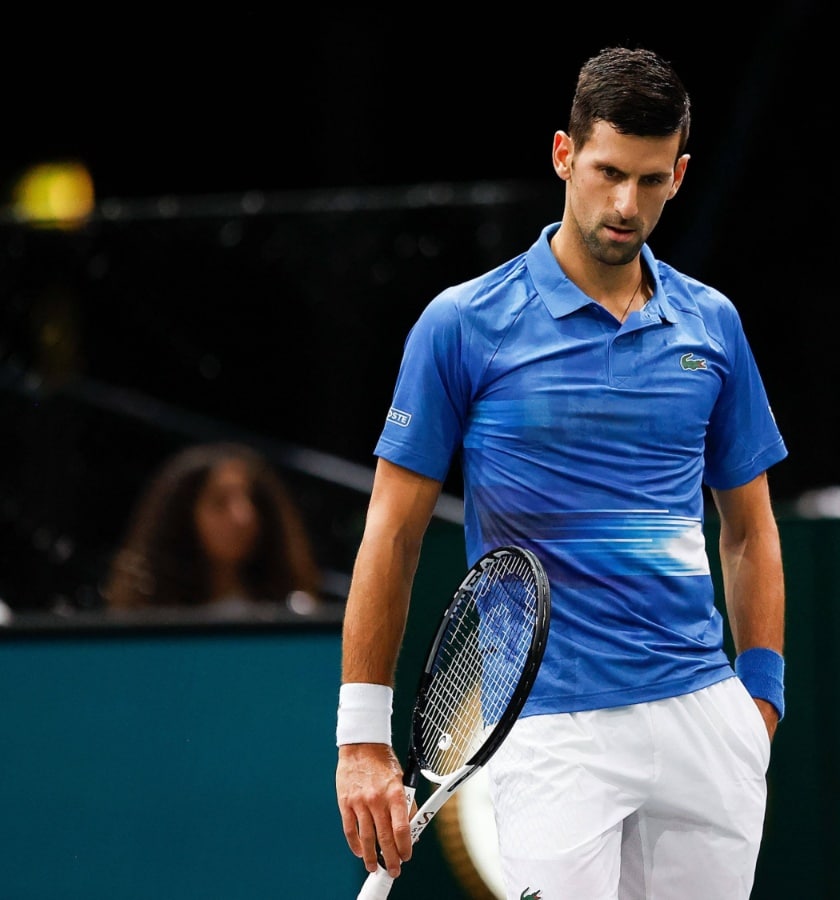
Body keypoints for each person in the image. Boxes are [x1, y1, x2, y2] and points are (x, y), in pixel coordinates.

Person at [335, 46, 788, 900]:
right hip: (551, 730)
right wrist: (361, 738)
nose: (627, 205)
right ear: (563, 156)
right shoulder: (462, 325)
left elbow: (750, 527)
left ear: (681, 174)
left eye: (652, 181)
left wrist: (758, 697)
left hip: (704, 719)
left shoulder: (714, 326)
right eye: (609, 172)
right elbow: (390, 536)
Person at [102, 441, 323, 619]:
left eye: (252, 501)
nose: (244, 517)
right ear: (183, 516)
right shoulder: (145, 621)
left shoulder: (292, 612)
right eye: (220, 503)